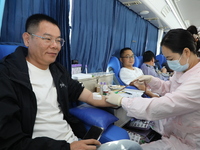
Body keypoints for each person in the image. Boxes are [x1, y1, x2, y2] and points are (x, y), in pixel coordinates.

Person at [0, 14, 142, 150]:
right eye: (47, 39)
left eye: (59, 40)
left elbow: (91, 97)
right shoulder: (7, 76)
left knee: (131, 146)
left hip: (74, 141)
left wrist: (123, 101)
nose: (55, 46)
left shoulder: (58, 71)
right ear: (27, 39)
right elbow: (11, 143)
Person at [106, 28, 200, 149]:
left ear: (186, 52)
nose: (169, 62)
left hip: (191, 141)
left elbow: (166, 104)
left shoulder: (197, 80)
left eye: (170, 59)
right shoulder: (182, 69)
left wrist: (122, 101)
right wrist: (152, 80)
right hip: (177, 133)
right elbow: (170, 87)